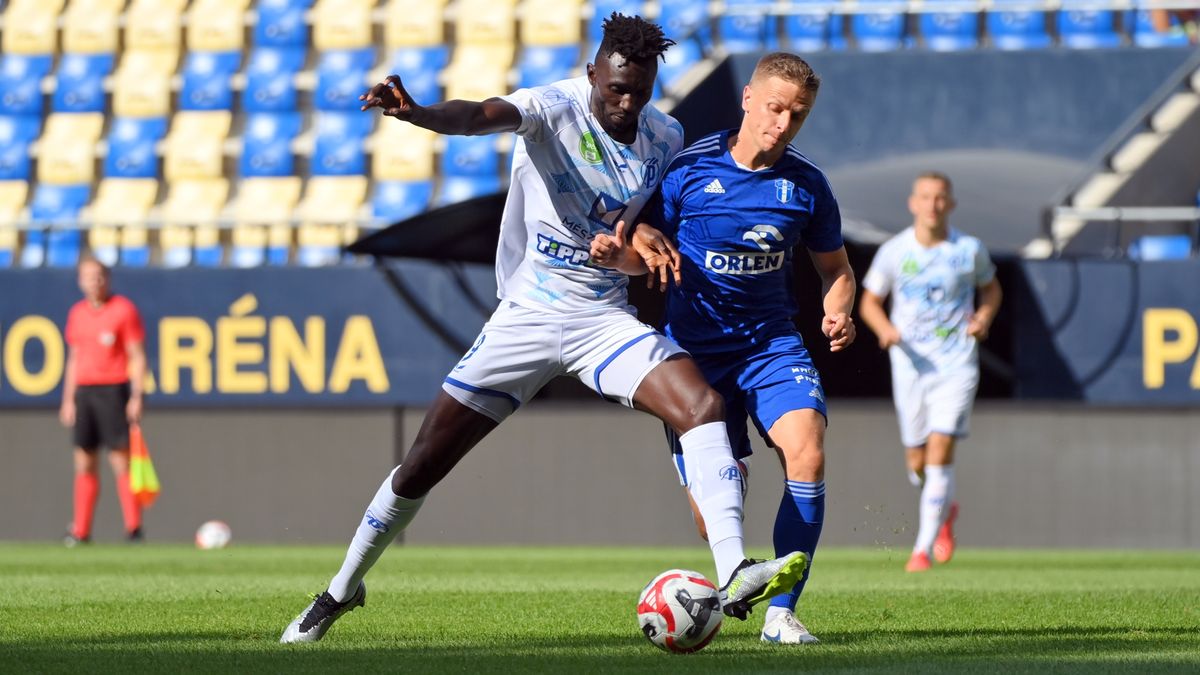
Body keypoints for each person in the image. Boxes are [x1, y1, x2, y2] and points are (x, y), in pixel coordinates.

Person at [280, 14, 808, 644]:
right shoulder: (550, 107)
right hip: (527, 316)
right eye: (615, 90)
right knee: (422, 465)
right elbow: (477, 116)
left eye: (638, 91)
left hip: (602, 317)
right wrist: (419, 113)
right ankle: (342, 589)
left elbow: (639, 222)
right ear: (592, 74)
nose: (626, 104)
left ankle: (736, 571)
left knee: (701, 405)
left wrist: (641, 236)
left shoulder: (665, 136)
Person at [591, 52, 856, 645]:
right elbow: (647, 252)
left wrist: (838, 307)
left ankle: (782, 616)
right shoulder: (687, 169)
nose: (783, 124)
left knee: (807, 451)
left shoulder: (808, 185)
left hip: (772, 345)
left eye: (798, 114)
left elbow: (836, 268)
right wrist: (622, 258)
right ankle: (736, 570)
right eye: (775, 108)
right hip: (694, 358)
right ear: (747, 100)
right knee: (712, 507)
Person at [858, 172, 1002, 573]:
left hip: (956, 363)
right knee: (917, 460)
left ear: (950, 204)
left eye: (940, 198)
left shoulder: (968, 250)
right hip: (910, 365)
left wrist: (984, 318)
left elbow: (991, 289)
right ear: (913, 203)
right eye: (926, 197)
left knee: (940, 450)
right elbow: (870, 301)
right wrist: (885, 329)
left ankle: (921, 549)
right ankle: (944, 510)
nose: (933, 205)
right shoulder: (894, 251)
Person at [60, 257, 147, 545]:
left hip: (113, 389)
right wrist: (68, 399)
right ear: (80, 281)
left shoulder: (123, 310)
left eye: (99, 276)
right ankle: (81, 531)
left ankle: (133, 528)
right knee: (84, 460)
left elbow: (136, 354)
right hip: (85, 391)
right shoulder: (77, 313)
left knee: (120, 459)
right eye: (88, 276)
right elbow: (73, 358)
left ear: (107, 279)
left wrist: (136, 395)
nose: (94, 282)